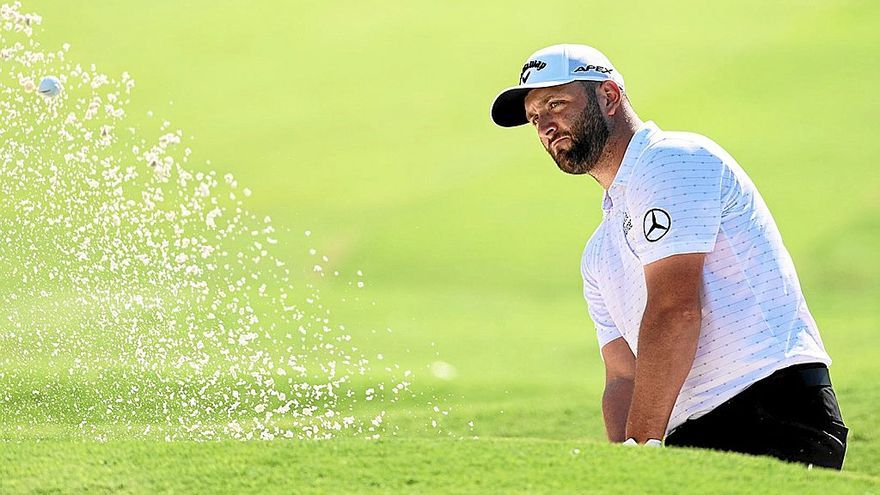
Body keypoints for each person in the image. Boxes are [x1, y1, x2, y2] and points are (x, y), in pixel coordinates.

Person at [490, 44, 848, 469]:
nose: (546, 126)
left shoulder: (673, 160)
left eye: (556, 104)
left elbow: (675, 309)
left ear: (608, 96)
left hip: (771, 409)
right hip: (692, 436)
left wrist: (642, 446)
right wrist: (629, 470)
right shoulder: (598, 252)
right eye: (535, 118)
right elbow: (622, 376)